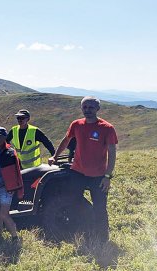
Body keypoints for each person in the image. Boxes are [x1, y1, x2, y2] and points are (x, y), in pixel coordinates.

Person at [48, 96, 118, 242]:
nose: (88, 110)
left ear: (98, 109)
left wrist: (107, 176)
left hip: (98, 176)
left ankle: (102, 238)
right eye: (85, 107)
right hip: (77, 172)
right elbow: (66, 140)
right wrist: (55, 156)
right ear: (81, 108)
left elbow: (112, 153)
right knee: (73, 202)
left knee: (100, 207)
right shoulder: (76, 124)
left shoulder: (107, 128)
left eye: (91, 107)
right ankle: (79, 230)